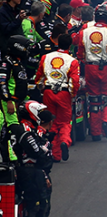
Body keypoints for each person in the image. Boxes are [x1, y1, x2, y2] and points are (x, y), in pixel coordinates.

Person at [76, 3, 107, 142]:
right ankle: (106, 123)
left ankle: (95, 133)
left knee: (94, 101)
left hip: (90, 68)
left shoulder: (84, 32)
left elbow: (80, 53)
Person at [10, 101, 53, 217]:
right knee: (33, 207)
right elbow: (37, 152)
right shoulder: (24, 130)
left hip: (35, 171)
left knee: (42, 206)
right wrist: (44, 156)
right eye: (39, 113)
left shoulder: (31, 129)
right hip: (27, 171)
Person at [35, 34, 77, 162]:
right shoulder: (72, 61)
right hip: (64, 94)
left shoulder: (45, 57)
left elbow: (39, 77)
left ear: (57, 43)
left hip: (48, 92)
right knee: (64, 122)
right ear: (69, 46)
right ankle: (64, 141)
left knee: (50, 122)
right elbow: (74, 81)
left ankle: (55, 154)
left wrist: (41, 88)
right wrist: (72, 94)